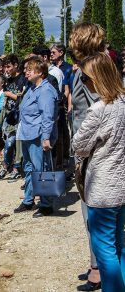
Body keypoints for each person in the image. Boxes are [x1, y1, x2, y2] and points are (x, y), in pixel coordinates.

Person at [73, 52, 125, 292]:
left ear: (97, 78)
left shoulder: (99, 109)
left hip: (103, 188)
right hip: (122, 185)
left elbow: (79, 146)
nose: (83, 83)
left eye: (85, 78)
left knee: (104, 250)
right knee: (120, 246)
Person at [69, 22, 106, 291]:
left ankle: (98, 269)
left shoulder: (90, 71)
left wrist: (83, 148)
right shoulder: (96, 66)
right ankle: (99, 263)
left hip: (92, 153)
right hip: (91, 151)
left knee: (92, 214)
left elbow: (99, 110)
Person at [14, 57, 58, 218]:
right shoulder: (32, 88)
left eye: (29, 70)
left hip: (38, 135)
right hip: (27, 133)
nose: (26, 72)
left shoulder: (45, 90)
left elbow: (47, 116)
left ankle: (46, 204)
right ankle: (28, 200)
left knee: (42, 170)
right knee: (29, 168)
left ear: (40, 72)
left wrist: (46, 137)